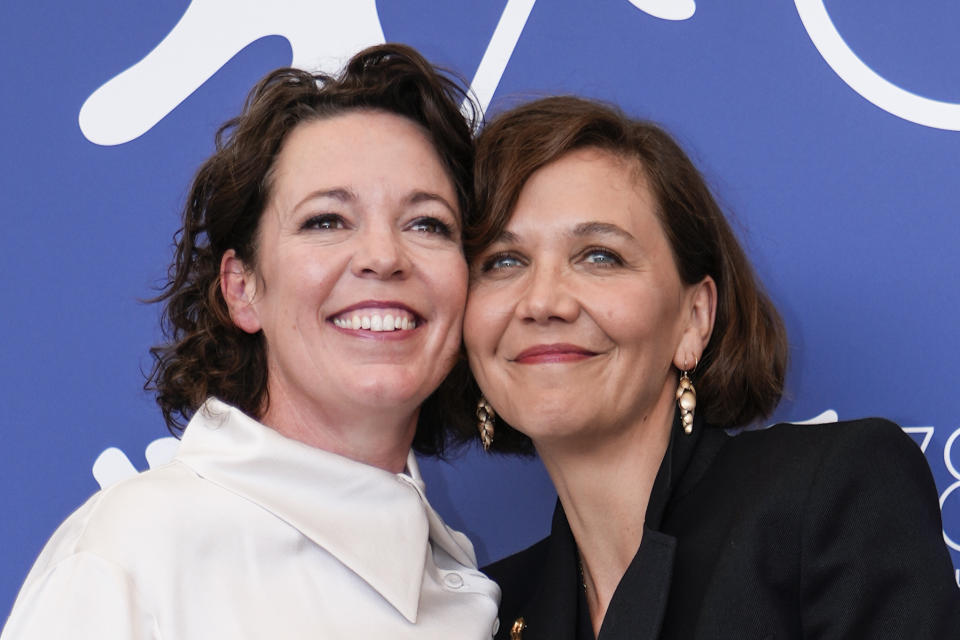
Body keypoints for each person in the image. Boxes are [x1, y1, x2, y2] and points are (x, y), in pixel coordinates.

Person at [2, 44, 500, 639]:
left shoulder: (461, 584)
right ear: (242, 290)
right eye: (326, 221)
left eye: (427, 224)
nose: (383, 257)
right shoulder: (133, 557)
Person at [451, 96, 960, 639]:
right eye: (503, 262)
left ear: (694, 319)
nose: (543, 301)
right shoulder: (491, 611)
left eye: (600, 256)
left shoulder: (830, 499)